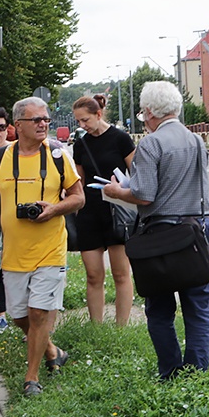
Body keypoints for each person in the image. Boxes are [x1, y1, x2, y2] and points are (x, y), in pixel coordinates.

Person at [103, 81, 209, 381]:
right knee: (199, 308)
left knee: (159, 310)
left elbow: (144, 195)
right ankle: (195, 375)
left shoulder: (151, 144)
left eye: (143, 113)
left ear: (151, 112)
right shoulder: (196, 141)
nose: (145, 119)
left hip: (163, 238)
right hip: (200, 232)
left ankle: (170, 371)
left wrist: (117, 191)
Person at [0, 97, 84, 397]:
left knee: (39, 313)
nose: (43, 124)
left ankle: (32, 377)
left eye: (46, 119)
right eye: (36, 120)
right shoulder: (1, 158)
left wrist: (53, 210)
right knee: (18, 317)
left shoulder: (57, 156)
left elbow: (78, 197)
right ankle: (52, 351)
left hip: (50, 248)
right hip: (14, 251)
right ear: (18, 126)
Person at [71, 95, 136, 325]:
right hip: (89, 213)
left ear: (99, 114)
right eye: (78, 121)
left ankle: (121, 327)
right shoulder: (80, 144)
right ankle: (96, 326)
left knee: (120, 274)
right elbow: (78, 180)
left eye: (85, 120)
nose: (82, 125)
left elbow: (137, 176)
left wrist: (121, 190)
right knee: (93, 275)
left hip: (117, 211)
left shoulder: (121, 139)